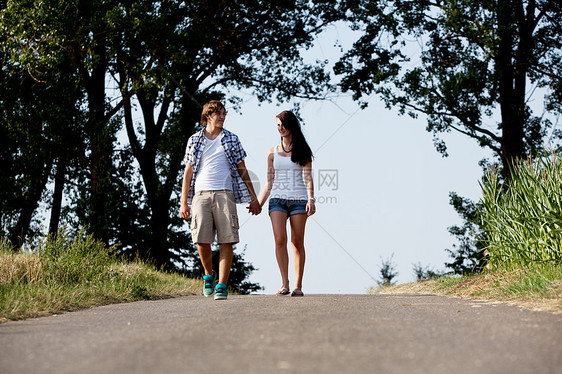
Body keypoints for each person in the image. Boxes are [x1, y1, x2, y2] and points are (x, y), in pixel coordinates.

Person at [180, 100, 261, 300]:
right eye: (219, 114)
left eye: (224, 114)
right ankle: (208, 274)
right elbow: (188, 172)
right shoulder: (195, 140)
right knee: (201, 238)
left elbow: (242, 169)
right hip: (200, 194)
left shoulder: (232, 139)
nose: (223, 117)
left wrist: (254, 197)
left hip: (225, 193)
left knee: (227, 239)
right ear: (208, 116)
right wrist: (183, 202)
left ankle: (222, 285)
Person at [258, 110, 315, 297]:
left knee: (297, 242)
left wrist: (311, 199)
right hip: (277, 201)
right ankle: (285, 283)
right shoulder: (272, 152)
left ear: (291, 125)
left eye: (282, 124)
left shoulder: (303, 151)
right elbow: (269, 181)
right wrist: (258, 203)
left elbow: (308, 178)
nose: (280, 128)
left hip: (299, 200)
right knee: (280, 239)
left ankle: (298, 285)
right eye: (277, 125)